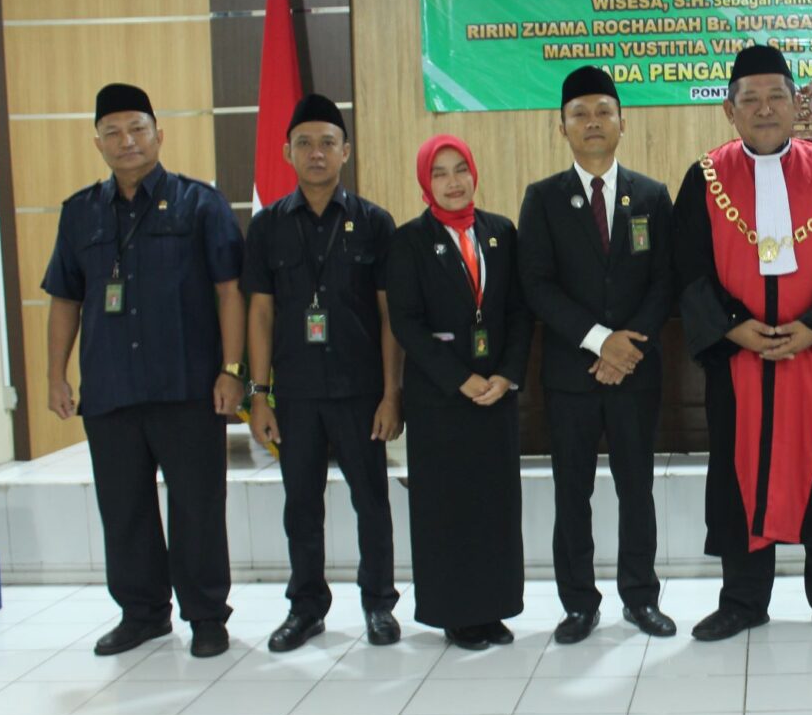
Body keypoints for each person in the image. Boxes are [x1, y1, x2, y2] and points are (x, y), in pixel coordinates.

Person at [672, 44, 812, 642]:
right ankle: (742, 600)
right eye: (751, 99)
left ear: (795, 105)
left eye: (776, 96)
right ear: (729, 110)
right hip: (738, 357)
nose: (765, 109)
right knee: (739, 475)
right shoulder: (706, 176)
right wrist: (731, 326)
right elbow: (687, 266)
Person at [43, 83, 244, 658]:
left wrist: (232, 370)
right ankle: (143, 613)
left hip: (187, 386)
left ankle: (206, 615)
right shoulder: (79, 212)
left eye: (137, 129)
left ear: (159, 135)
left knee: (197, 507)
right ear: (98, 143)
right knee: (124, 509)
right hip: (111, 388)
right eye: (112, 132)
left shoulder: (200, 204)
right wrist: (55, 375)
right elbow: (65, 299)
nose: (126, 141)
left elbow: (230, 291)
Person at [518, 67, 677, 644]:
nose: (592, 122)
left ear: (622, 123)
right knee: (573, 493)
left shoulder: (652, 196)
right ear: (561, 126)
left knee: (637, 489)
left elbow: (665, 281)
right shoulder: (542, 199)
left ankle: (641, 597)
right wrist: (598, 340)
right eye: (580, 113)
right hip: (571, 374)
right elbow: (536, 285)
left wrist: (627, 346)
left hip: (635, 370)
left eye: (603, 111)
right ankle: (579, 604)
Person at [243, 94, 404, 652]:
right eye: (305, 143)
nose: (316, 153)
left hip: (360, 391)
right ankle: (306, 608)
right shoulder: (266, 227)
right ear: (287, 152)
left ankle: (379, 604)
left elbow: (389, 317)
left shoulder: (374, 223)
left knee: (372, 502)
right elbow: (260, 314)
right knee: (301, 505)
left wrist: (391, 394)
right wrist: (258, 396)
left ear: (345, 152)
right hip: (296, 393)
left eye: (327, 143)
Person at [385, 135, 533, 649]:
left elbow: (518, 311)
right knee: (448, 508)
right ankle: (456, 613)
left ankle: (493, 607)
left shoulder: (501, 232)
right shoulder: (409, 241)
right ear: (426, 183)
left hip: (496, 396)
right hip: (441, 400)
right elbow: (406, 323)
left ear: (474, 173)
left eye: (460, 169)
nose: (453, 182)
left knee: (494, 506)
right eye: (440, 173)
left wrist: (507, 375)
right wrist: (459, 378)